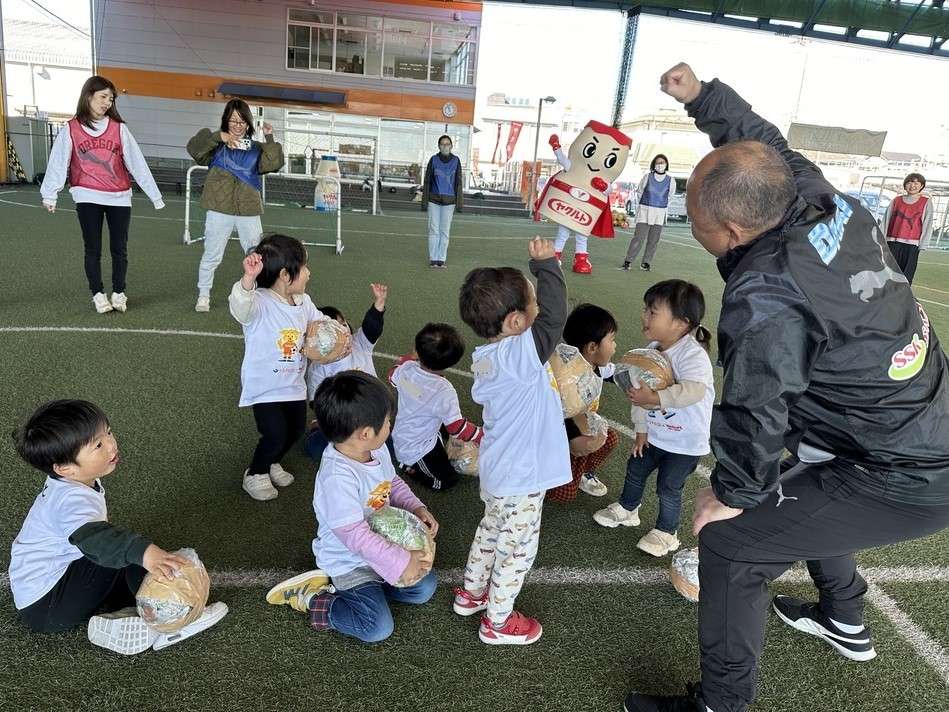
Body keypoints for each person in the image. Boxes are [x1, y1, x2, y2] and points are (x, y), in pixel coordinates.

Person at [622, 63, 949, 712]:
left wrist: (731, 494)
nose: (697, 229)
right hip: (903, 424)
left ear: (731, 233)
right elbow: (762, 139)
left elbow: (756, 409)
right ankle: (843, 617)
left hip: (905, 470)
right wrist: (702, 97)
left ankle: (720, 704)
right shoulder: (810, 192)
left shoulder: (766, 292)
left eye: (697, 221)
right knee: (810, 480)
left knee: (731, 546)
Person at [9, 400, 228, 654]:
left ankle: (130, 612)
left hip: (44, 598)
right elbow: (96, 538)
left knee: (126, 554)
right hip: (49, 605)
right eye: (98, 445)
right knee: (132, 554)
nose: (112, 445)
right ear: (65, 468)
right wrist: (144, 553)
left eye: (109, 433)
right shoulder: (71, 500)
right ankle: (172, 621)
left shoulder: (68, 481)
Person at [451, 237, 570, 645]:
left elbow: (546, 321)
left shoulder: (488, 357)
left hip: (498, 469)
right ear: (516, 322)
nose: (539, 309)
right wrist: (546, 264)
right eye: (533, 303)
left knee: (490, 530)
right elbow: (555, 319)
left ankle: (471, 593)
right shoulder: (519, 354)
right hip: (521, 476)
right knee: (516, 550)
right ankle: (498, 622)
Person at [265, 372, 438, 644]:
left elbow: (391, 481)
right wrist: (400, 561)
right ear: (365, 433)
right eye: (388, 422)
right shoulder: (337, 478)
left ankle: (375, 590)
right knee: (377, 627)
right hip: (349, 561)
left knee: (424, 588)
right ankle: (314, 599)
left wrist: (416, 507)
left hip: (382, 547)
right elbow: (356, 537)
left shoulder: (375, 449)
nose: (390, 425)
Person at [593, 280, 714, 559]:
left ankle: (666, 532)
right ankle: (628, 508)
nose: (644, 316)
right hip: (654, 435)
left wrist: (656, 398)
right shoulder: (652, 350)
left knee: (668, 487)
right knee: (635, 470)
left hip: (684, 443)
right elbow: (638, 393)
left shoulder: (692, 354)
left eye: (652, 311)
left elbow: (694, 390)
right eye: (645, 309)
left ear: (681, 323)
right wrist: (641, 428)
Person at [40, 75, 164, 314]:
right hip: (87, 196)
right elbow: (58, 161)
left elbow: (137, 162)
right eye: (103, 96)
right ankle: (97, 294)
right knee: (93, 249)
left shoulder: (119, 129)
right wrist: (50, 194)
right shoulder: (71, 129)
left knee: (120, 249)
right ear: (88, 96)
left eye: (111, 98)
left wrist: (155, 195)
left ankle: (119, 292)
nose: (107, 102)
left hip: (119, 197)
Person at [229, 234, 325, 502]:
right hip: (265, 386)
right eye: (303, 267)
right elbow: (240, 307)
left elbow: (320, 323)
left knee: (294, 430)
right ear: (285, 275)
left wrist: (337, 335)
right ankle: (255, 472)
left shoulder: (304, 302)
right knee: (274, 433)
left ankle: (272, 461)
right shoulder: (258, 301)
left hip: (293, 384)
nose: (308, 272)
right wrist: (248, 279)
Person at [187, 99, 284, 312]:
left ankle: (259, 295)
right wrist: (219, 137)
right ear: (226, 121)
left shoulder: (256, 148)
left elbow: (275, 163)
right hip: (218, 208)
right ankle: (204, 295)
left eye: (242, 121)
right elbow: (195, 150)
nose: (237, 126)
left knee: (256, 254)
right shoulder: (215, 145)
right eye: (233, 121)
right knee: (211, 255)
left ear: (248, 123)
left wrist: (269, 137)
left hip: (248, 209)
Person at [389, 323, 484, 492]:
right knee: (448, 481)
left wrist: (409, 357)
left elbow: (392, 375)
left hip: (406, 432)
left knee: (442, 418)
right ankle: (409, 467)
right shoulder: (444, 391)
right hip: (415, 451)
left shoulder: (406, 370)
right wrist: (483, 436)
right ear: (452, 362)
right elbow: (457, 429)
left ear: (417, 350)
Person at [303, 283, 389, 463]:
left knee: (389, 443)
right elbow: (318, 404)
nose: (344, 330)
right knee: (316, 448)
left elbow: (371, 328)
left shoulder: (359, 343)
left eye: (343, 324)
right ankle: (319, 430)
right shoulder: (318, 369)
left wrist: (378, 305)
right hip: (342, 421)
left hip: (371, 414)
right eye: (335, 329)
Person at [547, 303, 620, 502]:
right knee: (564, 494)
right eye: (612, 340)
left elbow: (616, 373)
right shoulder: (565, 375)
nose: (615, 346)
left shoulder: (596, 364)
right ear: (592, 347)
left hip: (581, 425)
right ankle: (547, 480)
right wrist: (574, 438)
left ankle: (582, 472)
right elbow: (559, 415)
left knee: (610, 438)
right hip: (559, 434)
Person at [620, 154, 677, 272]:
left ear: (666, 164)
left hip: (659, 213)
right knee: (638, 238)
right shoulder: (647, 177)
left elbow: (670, 196)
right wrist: (644, 204)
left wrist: (661, 206)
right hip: (645, 211)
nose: (660, 165)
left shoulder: (671, 180)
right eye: (658, 162)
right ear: (654, 165)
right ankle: (628, 260)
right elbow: (640, 191)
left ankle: (646, 262)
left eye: (662, 162)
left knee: (653, 240)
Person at [547, 134, 594, 274]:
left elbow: (607, 189)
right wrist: (556, 147)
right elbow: (562, 160)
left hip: (585, 209)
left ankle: (580, 259)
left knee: (582, 235)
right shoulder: (574, 166)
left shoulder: (599, 173)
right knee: (563, 233)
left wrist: (604, 186)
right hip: (570, 206)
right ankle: (555, 257)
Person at [882, 172, 933, 284]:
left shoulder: (926, 202)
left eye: (916, 183)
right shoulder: (896, 200)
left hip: (912, 245)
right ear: (905, 185)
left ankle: (902, 294)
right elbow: (886, 220)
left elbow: (927, 224)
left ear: (921, 186)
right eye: (909, 182)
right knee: (887, 273)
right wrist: (881, 239)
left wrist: (923, 244)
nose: (912, 185)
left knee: (906, 276)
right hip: (892, 243)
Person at [421, 134, 463, 268]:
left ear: (451, 146)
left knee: (445, 231)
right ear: (439, 146)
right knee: (434, 230)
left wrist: (459, 203)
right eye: (442, 144)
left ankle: (441, 259)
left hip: (449, 201)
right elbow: (427, 181)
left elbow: (458, 182)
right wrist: (424, 201)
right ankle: (433, 259)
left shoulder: (456, 160)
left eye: (447, 144)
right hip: (434, 200)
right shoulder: (433, 160)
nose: (445, 146)